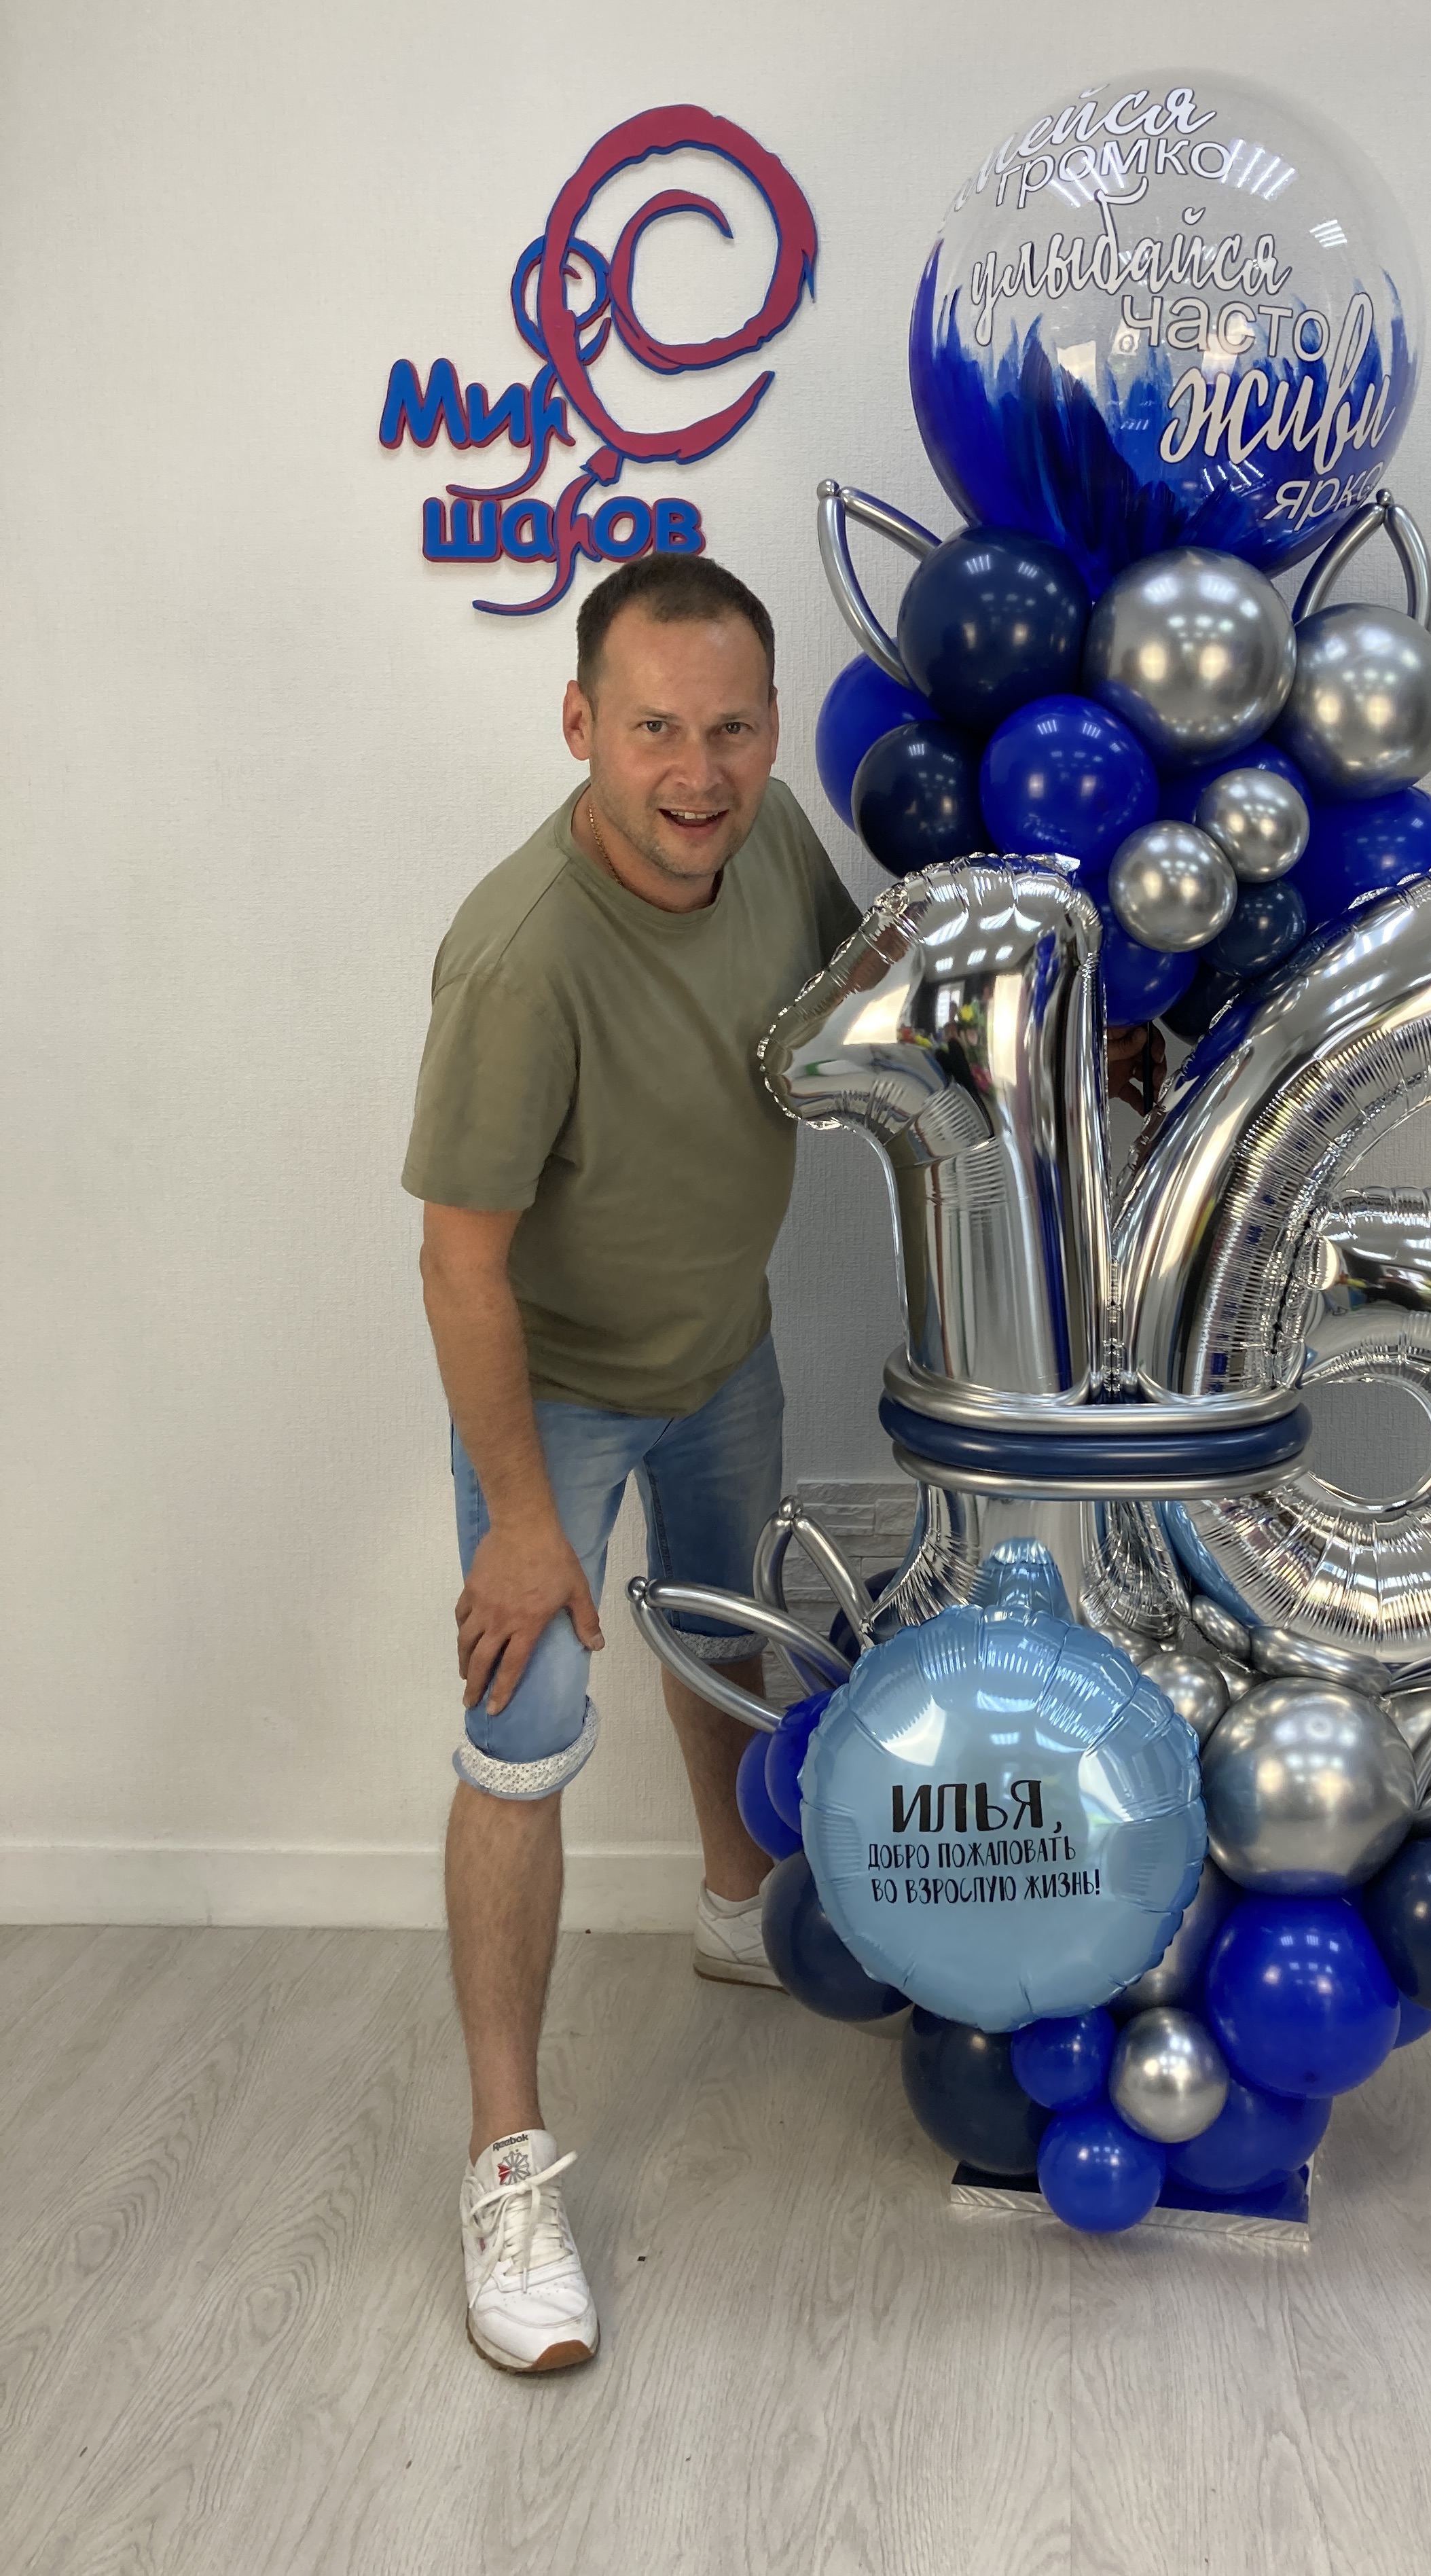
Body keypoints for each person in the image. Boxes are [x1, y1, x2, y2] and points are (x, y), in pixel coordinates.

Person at [405, 552, 1163, 2376]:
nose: (699, 773)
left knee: (729, 1638)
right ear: (580, 725)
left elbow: (860, 996)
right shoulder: (521, 961)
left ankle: (736, 1907)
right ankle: (505, 2163)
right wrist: (521, 1525)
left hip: (719, 1351)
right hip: (556, 1395)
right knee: (522, 1743)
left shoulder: (769, 844)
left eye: (733, 728)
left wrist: (1087, 1023)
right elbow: (459, 1266)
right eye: (655, 730)